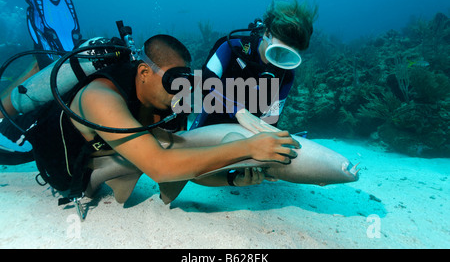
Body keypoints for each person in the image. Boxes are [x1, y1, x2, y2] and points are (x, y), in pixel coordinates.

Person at [18, 34, 299, 204]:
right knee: (149, 157)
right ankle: (28, 79)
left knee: (175, 148)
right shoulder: (101, 96)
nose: (181, 88)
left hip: (106, 154)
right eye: (173, 79)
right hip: (66, 173)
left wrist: (233, 179)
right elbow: (161, 168)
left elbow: (183, 165)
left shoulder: (172, 102)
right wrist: (249, 148)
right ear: (143, 72)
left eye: (185, 79)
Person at [190, 0, 317, 129]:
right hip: (210, 122)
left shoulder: (287, 73)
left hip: (249, 131)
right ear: (266, 32)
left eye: (286, 54)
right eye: (275, 50)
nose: (278, 60)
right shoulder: (234, 47)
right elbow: (205, 81)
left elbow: (272, 117)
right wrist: (238, 111)